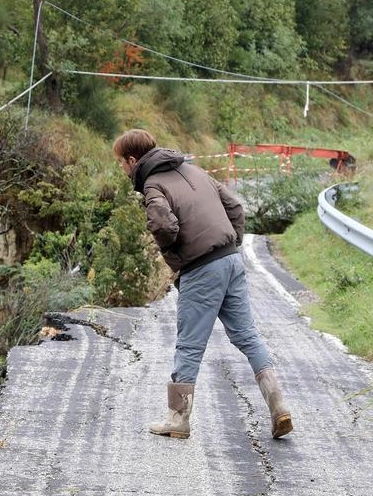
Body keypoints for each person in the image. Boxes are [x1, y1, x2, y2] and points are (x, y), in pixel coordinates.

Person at [113, 128, 292, 440]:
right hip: (231, 260)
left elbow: (164, 225)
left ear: (132, 160)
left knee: (189, 344)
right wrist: (229, 245)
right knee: (248, 336)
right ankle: (279, 406)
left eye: (121, 163)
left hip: (201, 268)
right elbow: (235, 207)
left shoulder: (154, 186)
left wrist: (177, 257)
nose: (122, 169)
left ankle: (178, 419)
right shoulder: (194, 170)